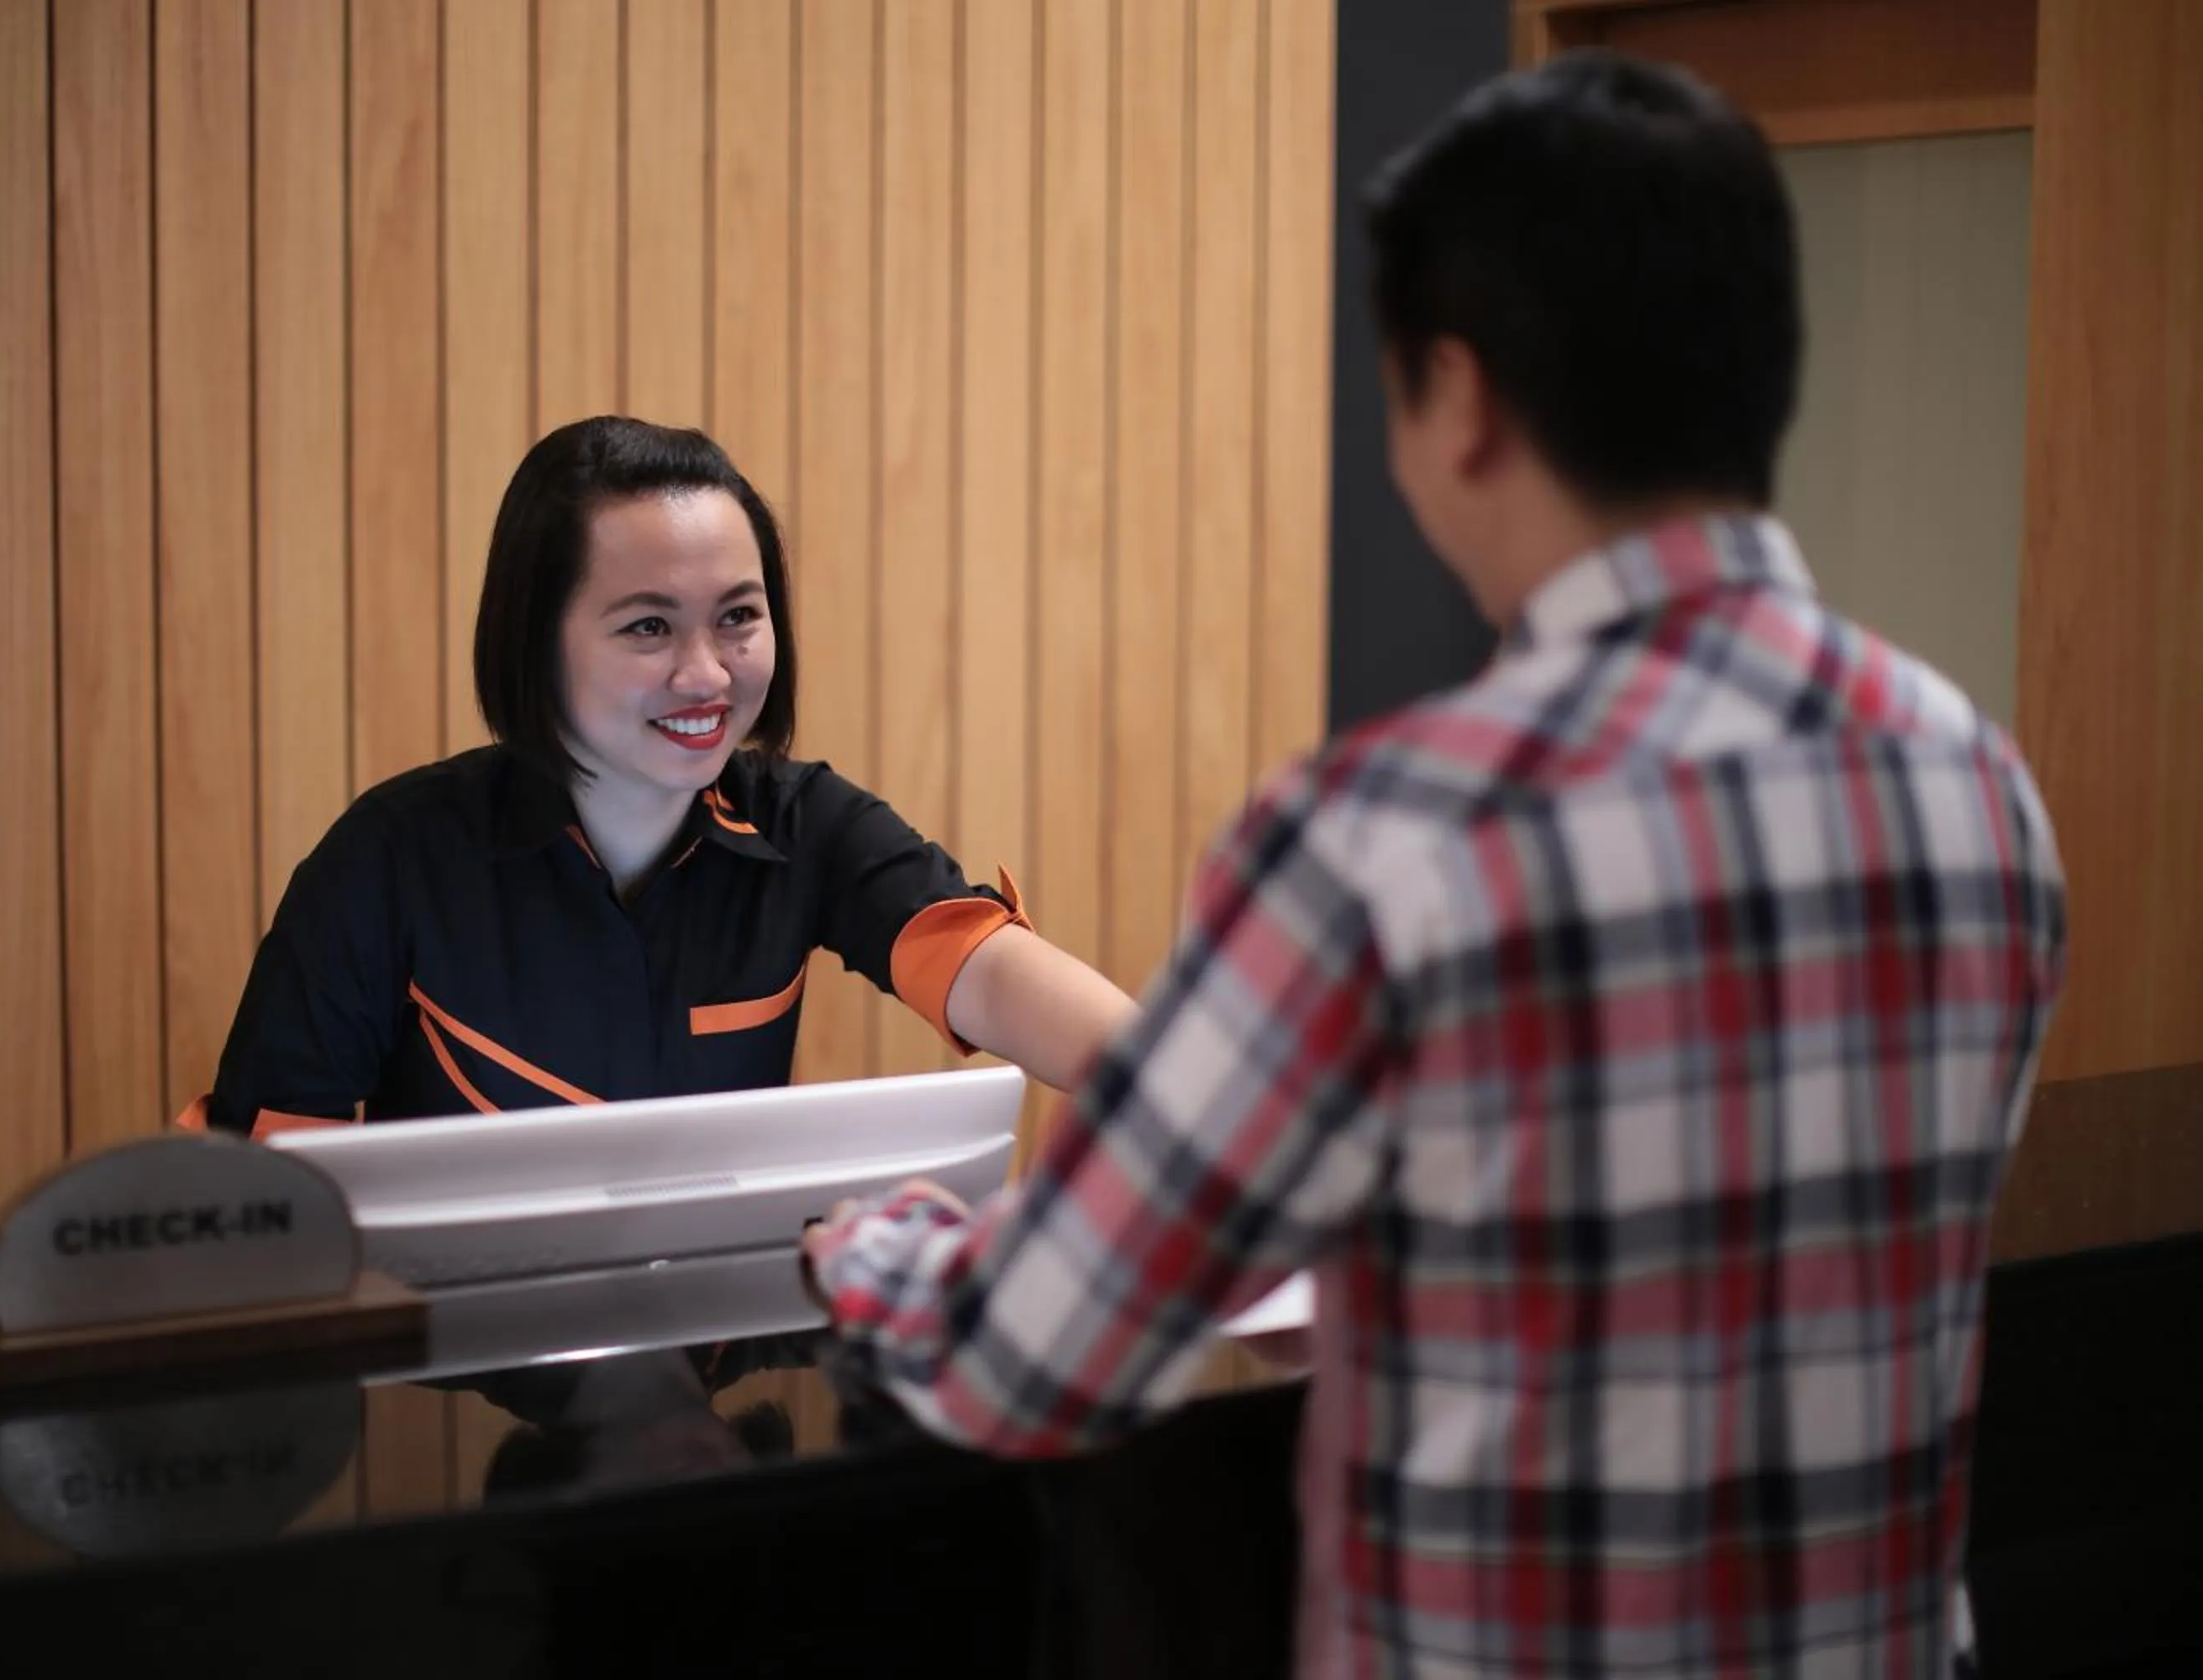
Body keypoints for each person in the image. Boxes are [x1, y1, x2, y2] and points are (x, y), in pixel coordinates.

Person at [802, 50, 2067, 1680]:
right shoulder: (1975, 777)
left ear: (1460, 400)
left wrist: (879, 1247)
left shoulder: (1389, 836)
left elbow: (1041, 1351)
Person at [180, 416, 1136, 1138]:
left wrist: (1211, 1103)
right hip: (458, 1389)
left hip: (726, 1385)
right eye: (648, 625)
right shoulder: (388, 859)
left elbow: (993, 972)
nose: (707, 674)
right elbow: (267, 1195)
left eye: (738, 617)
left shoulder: (807, 824)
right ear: (535, 641)